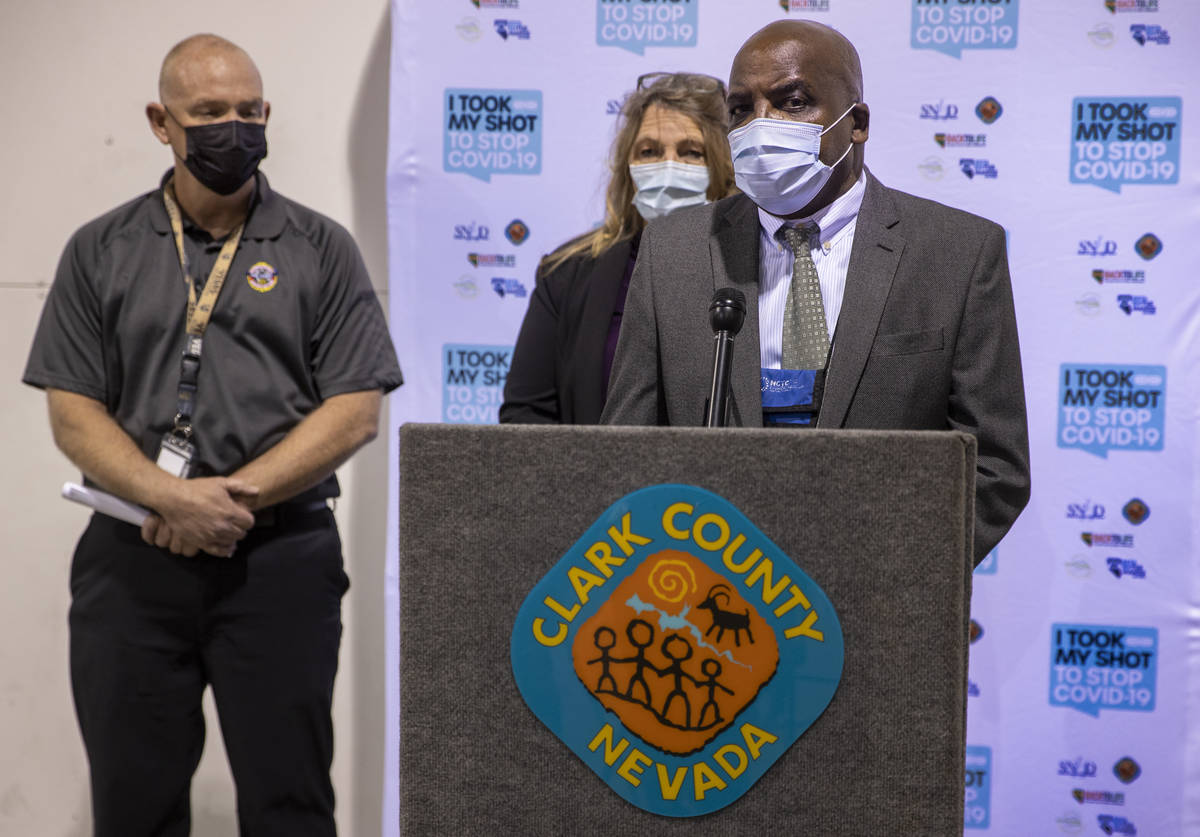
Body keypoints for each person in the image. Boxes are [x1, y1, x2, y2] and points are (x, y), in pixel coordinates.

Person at [22, 34, 402, 836]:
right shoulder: (101, 249)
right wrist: (167, 497)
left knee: (291, 803)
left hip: (280, 560)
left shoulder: (320, 248)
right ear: (163, 122)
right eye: (209, 113)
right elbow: (72, 407)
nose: (235, 126)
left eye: (248, 110)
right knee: (133, 807)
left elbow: (356, 406)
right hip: (133, 561)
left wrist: (230, 501)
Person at [601, 20, 1029, 565]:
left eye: (792, 101)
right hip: (704, 600)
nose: (761, 125)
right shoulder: (673, 252)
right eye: (741, 109)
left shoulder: (959, 254)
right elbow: (626, 448)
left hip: (883, 605)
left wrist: (884, 578)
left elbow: (995, 467)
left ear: (857, 124)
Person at [499, 72, 735, 424]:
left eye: (691, 152)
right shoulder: (565, 274)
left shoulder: (755, 264)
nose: (667, 166)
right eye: (649, 151)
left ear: (721, 166)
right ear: (628, 166)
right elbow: (527, 416)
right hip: (594, 476)